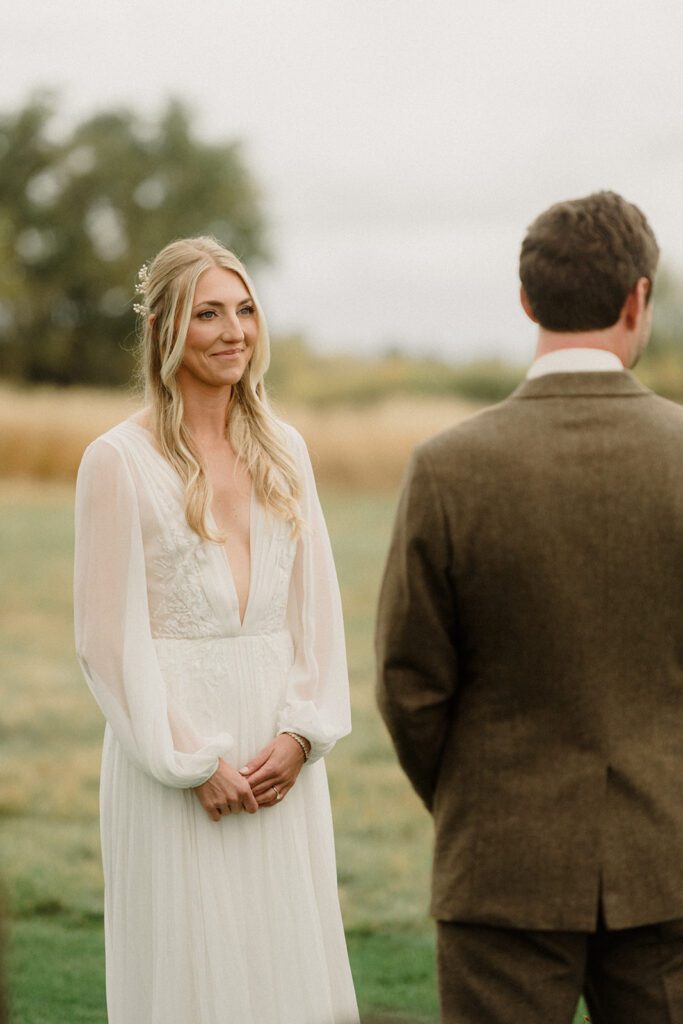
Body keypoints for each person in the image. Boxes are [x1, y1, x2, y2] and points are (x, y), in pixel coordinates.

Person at [375, 191, 683, 1023]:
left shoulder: (446, 467)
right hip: (671, 860)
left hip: (499, 865)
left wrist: (480, 798)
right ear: (638, 299)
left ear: (525, 301)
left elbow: (409, 685)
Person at [74, 237, 359, 1024]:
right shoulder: (115, 462)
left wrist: (303, 736)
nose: (235, 331)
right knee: (190, 973)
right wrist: (189, 761)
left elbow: (317, 611)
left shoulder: (283, 449)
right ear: (165, 327)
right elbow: (104, 641)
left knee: (281, 966)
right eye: (209, 313)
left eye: (244, 310)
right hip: (169, 757)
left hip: (279, 756)